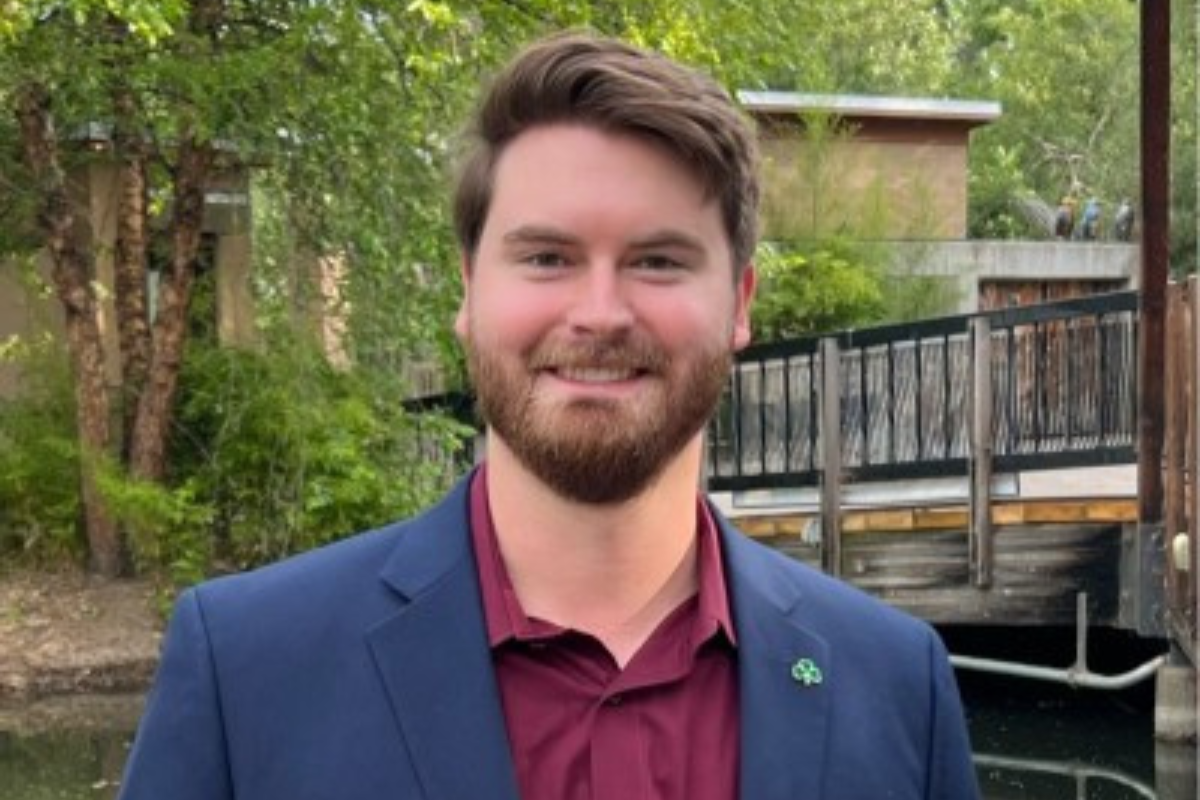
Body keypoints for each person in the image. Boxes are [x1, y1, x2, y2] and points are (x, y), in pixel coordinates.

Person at [118, 31, 979, 800]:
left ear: (741, 302)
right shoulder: (248, 671)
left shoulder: (897, 686)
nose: (600, 312)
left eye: (658, 260)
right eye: (546, 257)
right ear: (468, 290)